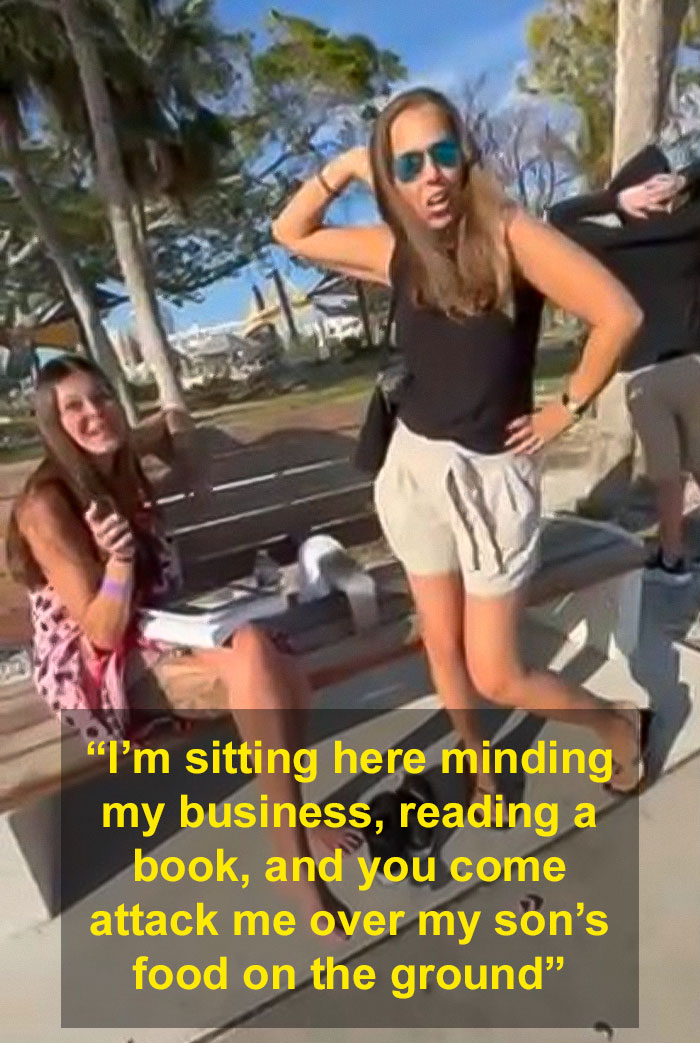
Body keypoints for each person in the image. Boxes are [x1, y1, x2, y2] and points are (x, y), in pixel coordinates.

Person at [273, 86, 650, 802]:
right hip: (414, 467)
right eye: (407, 165)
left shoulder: (509, 234)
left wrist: (564, 409)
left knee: (498, 672)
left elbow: (618, 314)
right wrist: (349, 166)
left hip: (488, 479)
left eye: (442, 154)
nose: (431, 177)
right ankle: (480, 764)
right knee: (440, 643)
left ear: (466, 156)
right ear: (392, 179)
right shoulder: (396, 250)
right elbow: (290, 231)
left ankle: (619, 725)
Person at [6, 354, 357, 932]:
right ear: (52, 423)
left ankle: (293, 824)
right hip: (93, 667)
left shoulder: (117, 454)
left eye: (102, 396)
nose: (95, 413)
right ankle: (294, 851)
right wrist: (120, 559)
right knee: (270, 671)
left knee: (263, 653)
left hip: (159, 626)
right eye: (74, 407)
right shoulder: (46, 506)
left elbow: (171, 420)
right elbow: (99, 631)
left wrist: (187, 457)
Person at [548, 144, 700, 585]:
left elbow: (558, 218)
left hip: (644, 377)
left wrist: (613, 201)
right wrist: (683, 180)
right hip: (693, 365)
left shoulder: (612, 244)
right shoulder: (690, 228)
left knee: (666, 474)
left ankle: (673, 556)